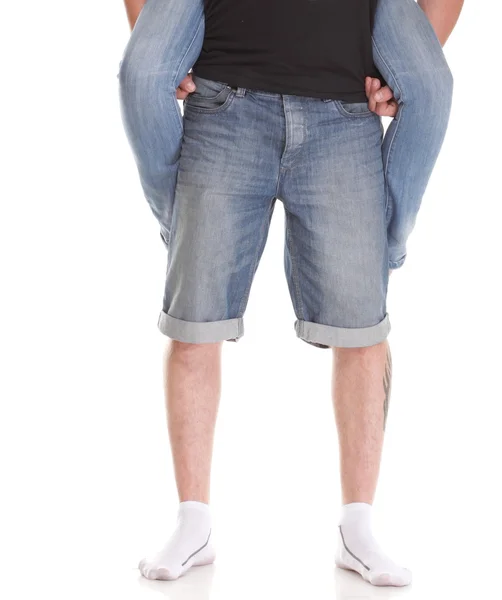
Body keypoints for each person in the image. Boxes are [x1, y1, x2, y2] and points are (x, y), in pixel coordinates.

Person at [117, 0, 462, 587]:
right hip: (225, 105)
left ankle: (359, 527)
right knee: (195, 325)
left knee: (362, 332)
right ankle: (192, 520)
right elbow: (145, 64)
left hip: (343, 114)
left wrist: (409, 67)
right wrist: (160, 44)